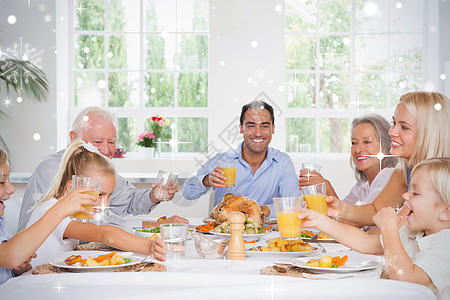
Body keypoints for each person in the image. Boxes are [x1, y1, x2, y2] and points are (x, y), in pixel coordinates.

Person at [298, 157, 450, 300]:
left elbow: (406, 278)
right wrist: (320, 220)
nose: (405, 196)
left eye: (415, 193)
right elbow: (364, 241)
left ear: (445, 212)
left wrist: (389, 228)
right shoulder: (414, 232)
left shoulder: (446, 246)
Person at [18, 106, 186, 232]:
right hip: (33, 261)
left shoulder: (100, 169)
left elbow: (131, 202)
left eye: (111, 142)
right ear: (74, 138)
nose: (106, 150)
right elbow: (97, 223)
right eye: (97, 142)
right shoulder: (52, 169)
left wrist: (154, 195)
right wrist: (154, 225)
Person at [26, 141, 166, 267]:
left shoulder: (73, 215)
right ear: (72, 187)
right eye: (99, 195)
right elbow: (103, 233)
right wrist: (149, 246)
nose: (105, 204)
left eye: (109, 195)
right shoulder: (53, 212)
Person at [326, 91, 450, 226]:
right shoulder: (403, 169)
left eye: (404, 127)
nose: (391, 132)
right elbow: (375, 210)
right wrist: (340, 208)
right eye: (394, 123)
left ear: (429, 134)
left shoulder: (439, 178)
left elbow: (393, 232)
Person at [182, 100, 300, 216]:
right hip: (224, 232)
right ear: (241, 128)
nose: (258, 133)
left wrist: (252, 210)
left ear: (273, 129)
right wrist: (206, 180)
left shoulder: (282, 162)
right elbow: (187, 192)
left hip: (266, 233)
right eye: (251, 126)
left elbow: (293, 206)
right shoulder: (223, 160)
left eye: (264, 126)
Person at [0, 147, 96, 284]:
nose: (11, 189)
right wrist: (61, 208)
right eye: (1, 182)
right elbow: (10, 256)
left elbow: (12, 266)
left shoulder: (1, 222)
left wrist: (20, 267)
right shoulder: (50, 208)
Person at [299, 114, 397, 208]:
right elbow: (342, 218)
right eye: (354, 143)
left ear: (385, 147)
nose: (358, 149)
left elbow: (361, 220)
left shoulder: (387, 177)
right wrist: (321, 193)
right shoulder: (361, 186)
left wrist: (327, 188)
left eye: (367, 142)